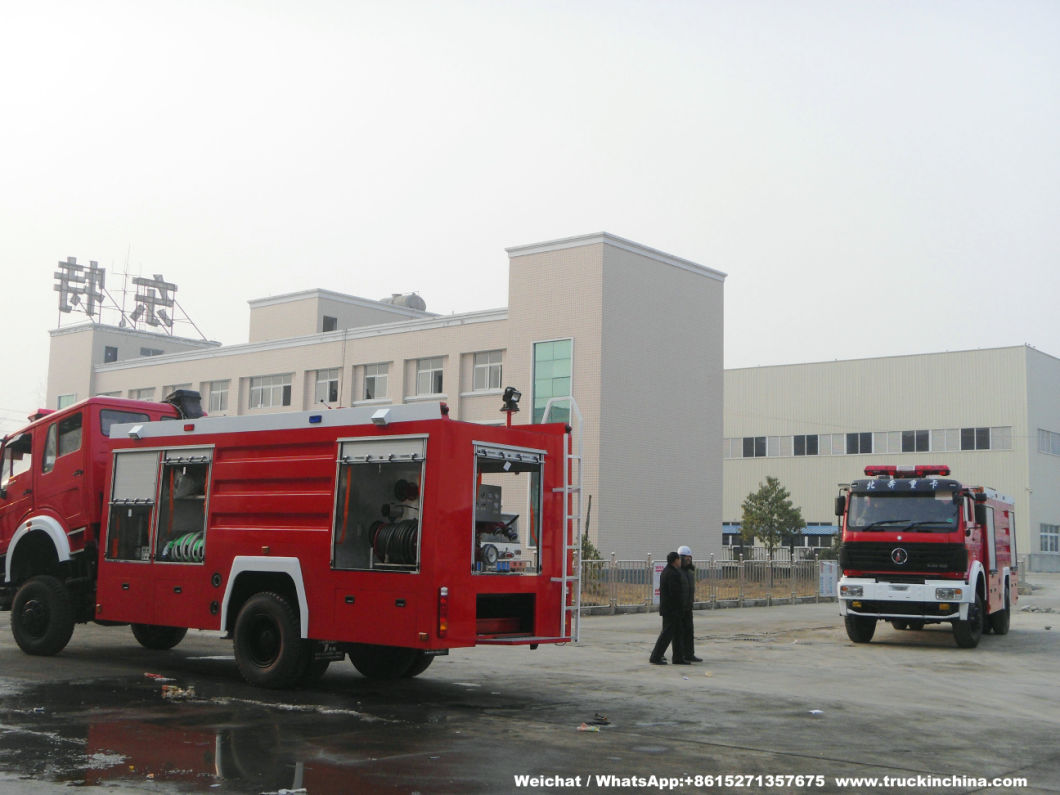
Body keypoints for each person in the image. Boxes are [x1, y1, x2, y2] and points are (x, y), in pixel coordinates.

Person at [649, 551, 689, 665]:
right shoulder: (673, 573)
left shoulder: (667, 571)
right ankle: (655, 657)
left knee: (677, 633)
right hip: (672, 610)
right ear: (675, 560)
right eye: (679, 559)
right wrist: (680, 606)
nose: (680, 561)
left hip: (670, 609)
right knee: (666, 634)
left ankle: (678, 657)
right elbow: (674, 593)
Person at [678, 545, 703, 662]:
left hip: (688, 607)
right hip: (679, 607)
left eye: (689, 558)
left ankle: (689, 653)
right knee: (678, 633)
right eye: (686, 559)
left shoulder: (690, 573)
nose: (688, 561)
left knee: (689, 631)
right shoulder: (677, 572)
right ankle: (679, 654)